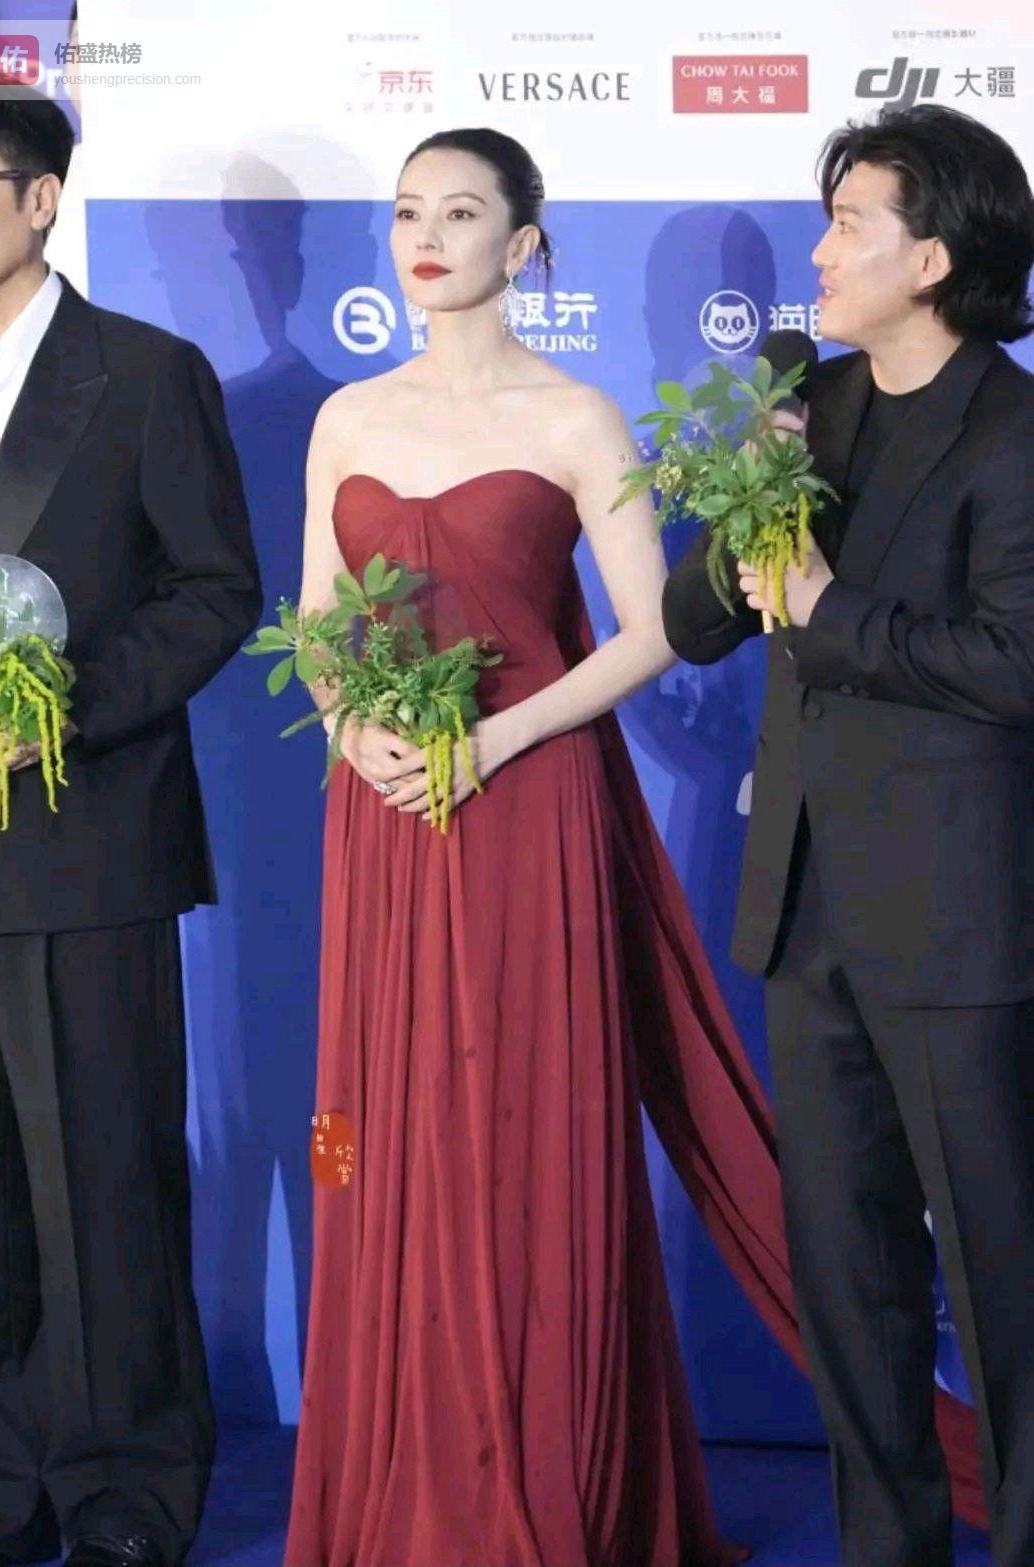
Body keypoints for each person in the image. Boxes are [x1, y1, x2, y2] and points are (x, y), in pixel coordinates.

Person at [282, 125, 773, 1567]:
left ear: (526, 241)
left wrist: (496, 742)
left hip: (528, 806)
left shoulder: (578, 418)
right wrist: (351, 731)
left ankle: (547, 1486)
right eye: (407, 213)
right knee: (382, 1140)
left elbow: (653, 634)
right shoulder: (346, 418)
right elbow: (315, 627)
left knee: (520, 1134)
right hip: (384, 819)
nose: (427, 239)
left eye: (461, 212)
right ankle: (399, 1483)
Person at [663, 103, 1034, 1567]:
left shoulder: (1016, 434)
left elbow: (1017, 662)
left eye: (849, 226)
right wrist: (742, 500)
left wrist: (831, 611)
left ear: (931, 259)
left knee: (1001, 1280)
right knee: (848, 1279)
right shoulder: (806, 402)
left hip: (958, 925)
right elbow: (697, 623)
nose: (817, 254)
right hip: (806, 913)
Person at [0, 80, 262, 1567]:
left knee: (103, 1184)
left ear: (39, 201)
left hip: (83, 841)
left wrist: (64, 710)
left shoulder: (144, 373)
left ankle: (125, 1490)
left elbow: (215, 590)